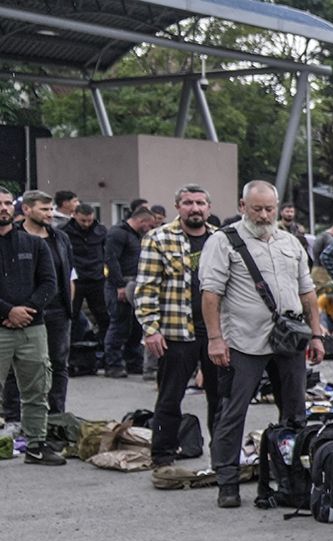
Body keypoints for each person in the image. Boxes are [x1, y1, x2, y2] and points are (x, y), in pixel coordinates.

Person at [200, 181, 325, 508]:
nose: (265, 214)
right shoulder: (222, 242)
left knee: (296, 412)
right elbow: (210, 294)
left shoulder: (290, 241)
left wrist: (316, 333)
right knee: (232, 411)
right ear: (243, 206)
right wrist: (215, 339)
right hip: (243, 341)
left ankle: (293, 479)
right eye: (257, 209)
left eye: (270, 208)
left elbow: (307, 291)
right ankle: (227, 481)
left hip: (290, 340)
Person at [136, 184, 225, 468]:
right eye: (188, 203)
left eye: (200, 203)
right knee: (170, 397)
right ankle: (162, 455)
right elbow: (146, 287)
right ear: (178, 207)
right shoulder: (158, 238)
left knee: (221, 398)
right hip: (176, 331)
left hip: (215, 333)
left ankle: (223, 457)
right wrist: (151, 329)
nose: (195, 208)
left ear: (208, 207)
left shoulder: (220, 239)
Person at [0, 189, 63, 465]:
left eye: (6, 203)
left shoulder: (34, 244)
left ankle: (36, 444)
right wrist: (7, 311)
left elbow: (50, 283)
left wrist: (25, 311)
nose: (3, 208)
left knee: (37, 389)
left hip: (32, 327)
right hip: (2, 326)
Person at [4, 191, 74, 420]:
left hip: (56, 312)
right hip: (21, 315)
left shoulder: (59, 238)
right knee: (18, 370)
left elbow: (66, 276)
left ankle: (55, 418)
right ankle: (15, 418)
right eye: (44, 209)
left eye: (51, 208)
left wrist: (68, 306)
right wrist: (15, 312)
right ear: (26, 209)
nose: (50, 213)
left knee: (58, 366)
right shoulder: (14, 238)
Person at [102, 204, 157, 378]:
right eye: (150, 225)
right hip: (122, 283)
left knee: (135, 326)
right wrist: (119, 285)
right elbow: (111, 260)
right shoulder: (118, 233)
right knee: (119, 325)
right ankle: (113, 364)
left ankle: (133, 361)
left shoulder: (134, 235)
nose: (151, 229)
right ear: (142, 221)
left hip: (134, 282)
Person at [63, 203, 109, 370]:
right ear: (74, 215)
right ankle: (71, 353)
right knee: (72, 315)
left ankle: (104, 353)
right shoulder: (65, 232)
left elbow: (107, 252)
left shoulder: (101, 231)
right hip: (77, 278)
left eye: (89, 220)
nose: (86, 224)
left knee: (103, 315)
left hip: (96, 278)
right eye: (83, 220)